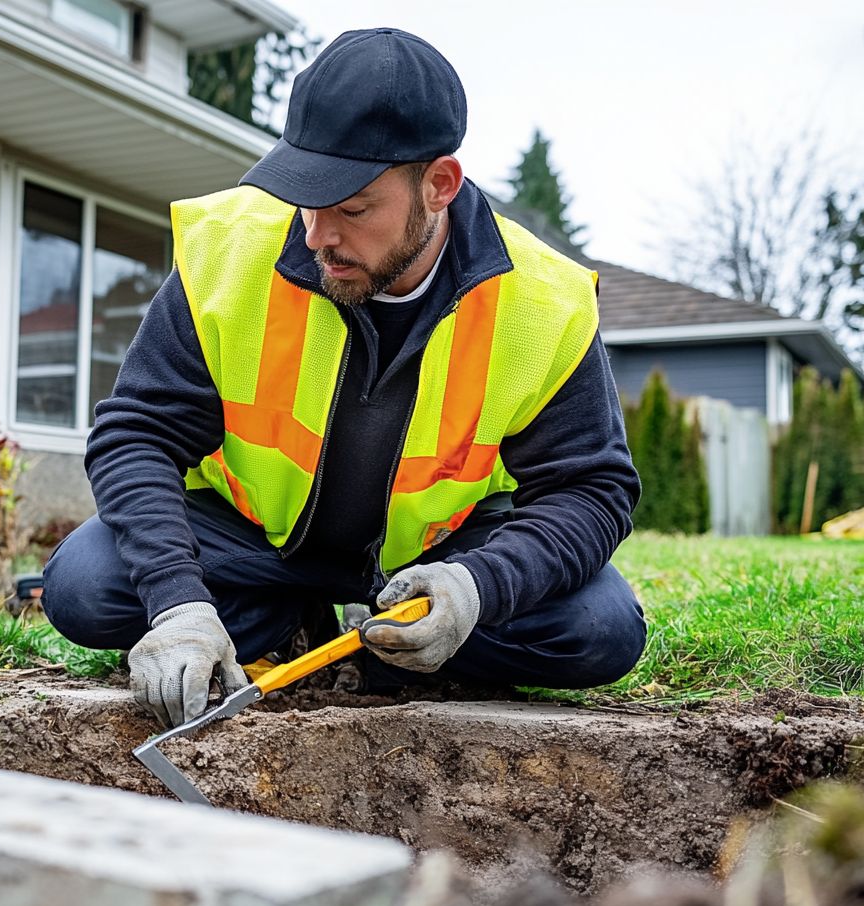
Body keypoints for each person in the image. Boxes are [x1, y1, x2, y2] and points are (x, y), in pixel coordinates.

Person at [42, 27, 646, 728]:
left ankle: (398, 643)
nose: (317, 235)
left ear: (439, 184)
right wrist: (180, 604)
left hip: (436, 563)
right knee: (86, 586)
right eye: (306, 197)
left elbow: (593, 489)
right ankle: (281, 623)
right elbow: (135, 434)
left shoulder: (541, 302)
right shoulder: (231, 254)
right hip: (251, 544)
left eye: (353, 208)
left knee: (601, 628)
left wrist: (474, 587)